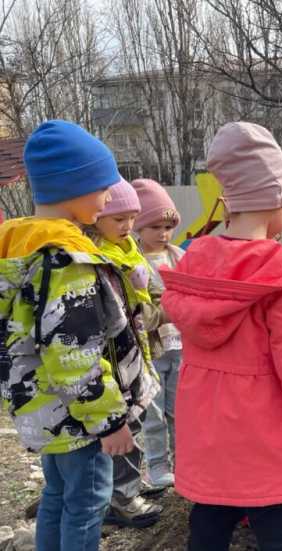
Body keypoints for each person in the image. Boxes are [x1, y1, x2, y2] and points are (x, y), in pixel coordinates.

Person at [160, 122, 282, 551]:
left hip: (207, 439)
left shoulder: (194, 263)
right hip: (268, 445)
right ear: (277, 199)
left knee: (208, 527)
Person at [0, 120, 155, 551]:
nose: (109, 196)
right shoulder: (66, 261)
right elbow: (73, 353)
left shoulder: (22, 246)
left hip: (47, 409)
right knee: (88, 502)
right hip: (80, 416)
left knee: (57, 495)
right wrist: (109, 421)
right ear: (76, 187)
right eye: (104, 187)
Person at [86, 179, 163, 528]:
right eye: (119, 219)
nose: (128, 225)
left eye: (133, 217)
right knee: (122, 426)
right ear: (96, 217)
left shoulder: (127, 247)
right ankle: (122, 497)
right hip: (114, 357)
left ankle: (128, 485)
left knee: (136, 421)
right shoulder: (96, 256)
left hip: (135, 350)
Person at [132, 178, 184, 491]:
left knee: (180, 410)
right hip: (151, 350)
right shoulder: (133, 260)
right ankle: (157, 466)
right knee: (153, 413)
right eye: (154, 227)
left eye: (168, 227)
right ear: (138, 226)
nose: (163, 233)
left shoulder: (179, 257)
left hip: (182, 345)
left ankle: (184, 463)